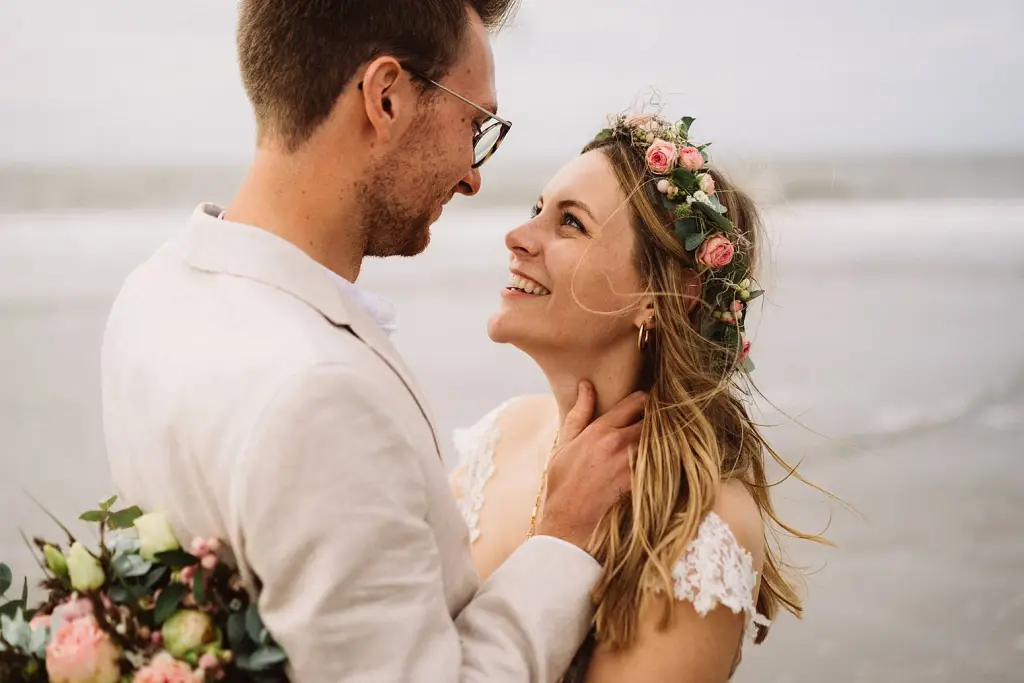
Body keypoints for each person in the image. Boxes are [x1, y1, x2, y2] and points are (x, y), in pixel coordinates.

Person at [100, 2, 644, 682]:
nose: (473, 176)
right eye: (474, 124)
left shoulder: (151, 294)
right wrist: (561, 538)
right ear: (385, 97)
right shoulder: (321, 395)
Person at [450, 112, 827, 682]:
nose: (518, 237)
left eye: (570, 223)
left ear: (663, 294)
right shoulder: (500, 436)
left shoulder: (698, 520)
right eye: (537, 211)